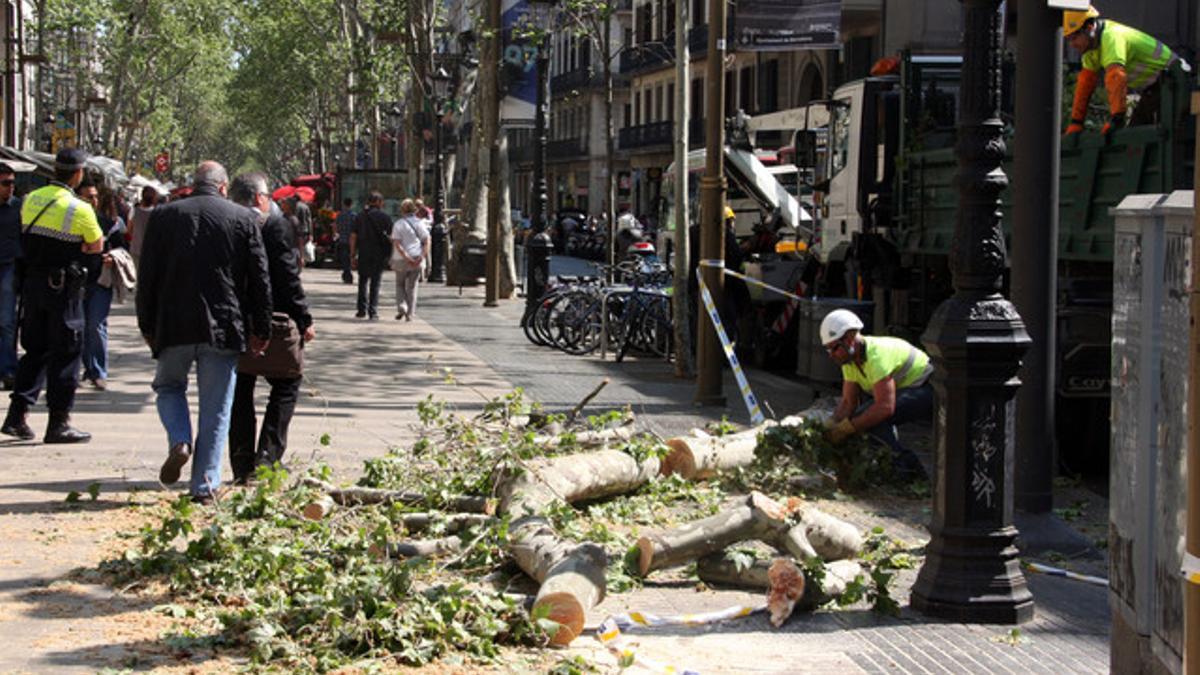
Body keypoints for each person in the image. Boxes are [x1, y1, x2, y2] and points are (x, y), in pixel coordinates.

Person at [137, 161, 272, 503]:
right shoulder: (243, 219)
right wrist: (262, 325)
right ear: (224, 187)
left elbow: (147, 275)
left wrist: (147, 324)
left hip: (173, 323)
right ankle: (205, 485)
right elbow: (259, 277)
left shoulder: (164, 216)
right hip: (223, 326)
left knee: (168, 386)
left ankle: (180, 439)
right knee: (217, 407)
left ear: (193, 184)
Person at [0, 148, 102, 444]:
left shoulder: (31, 200)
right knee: (67, 354)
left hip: (33, 288)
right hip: (63, 291)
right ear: (78, 173)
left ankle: (16, 416)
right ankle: (58, 423)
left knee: (34, 352)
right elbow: (95, 246)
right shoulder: (80, 209)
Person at [227, 173, 314, 484]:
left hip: (236, 321)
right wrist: (304, 318)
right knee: (287, 384)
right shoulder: (276, 225)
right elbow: (288, 276)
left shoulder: (228, 224)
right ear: (260, 198)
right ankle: (267, 459)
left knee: (240, 391)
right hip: (275, 320)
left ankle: (241, 464)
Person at [820, 309, 932, 480]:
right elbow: (849, 403)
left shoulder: (876, 357)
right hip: (905, 388)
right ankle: (892, 468)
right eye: (827, 350)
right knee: (861, 418)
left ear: (850, 339)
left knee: (871, 421)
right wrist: (830, 426)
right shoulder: (849, 361)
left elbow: (884, 408)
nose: (831, 355)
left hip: (927, 387)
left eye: (834, 348)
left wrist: (848, 428)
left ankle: (909, 471)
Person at [1064, 5, 1191, 135]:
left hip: (1176, 81)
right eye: (1068, 39)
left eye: (1074, 38)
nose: (1072, 44)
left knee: (1154, 135)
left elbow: (1116, 77)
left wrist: (1117, 118)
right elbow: (1085, 85)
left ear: (1089, 28)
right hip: (1156, 88)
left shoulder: (1111, 37)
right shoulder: (1090, 51)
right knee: (1137, 135)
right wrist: (1076, 122)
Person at [77, 183, 126, 390]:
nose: (94, 201)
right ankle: (84, 368)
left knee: (95, 326)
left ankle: (98, 371)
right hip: (75, 282)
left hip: (100, 282)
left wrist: (112, 257)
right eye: (89, 197)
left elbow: (122, 248)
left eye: (95, 197)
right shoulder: (71, 223)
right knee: (78, 328)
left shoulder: (108, 224)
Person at [350, 191, 392, 320]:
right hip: (379, 253)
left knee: (362, 281)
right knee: (375, 282)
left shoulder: (360, 216)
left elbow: (353, 236)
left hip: (363, 252)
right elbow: (391, 237)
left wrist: (352, 254)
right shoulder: (385, 217)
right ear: (379, 202)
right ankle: (373, 311)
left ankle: (361, 309)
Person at [391, 198, 430, 321]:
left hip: (400, 259)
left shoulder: (398, 224)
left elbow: (397, 244)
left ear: (402, 210)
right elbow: (427, 241)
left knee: (400, 284)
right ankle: (410, 314)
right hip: (417, 257)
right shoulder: (420, 223)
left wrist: (406, 257)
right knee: (412, 287)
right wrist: (422, 256)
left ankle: (402, 306)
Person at [0, 163, 21, 391]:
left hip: (9, 268)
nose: (11, 187)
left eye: (13, 183)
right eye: (6, 183)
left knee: (7, 321)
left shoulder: (19, 208)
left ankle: (8, 369)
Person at [126, 186, 158, 266]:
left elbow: (129, 229)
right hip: (151, 250)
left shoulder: (133, 211)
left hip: (136, 248)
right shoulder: (157, 213)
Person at [334, 197, 356, 284]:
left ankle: (346, 273)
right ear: (351, 204)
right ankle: (348, 273)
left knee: (344, 257)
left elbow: (335, 225)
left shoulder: (340, 215)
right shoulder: (354, 215)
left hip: (342, 239)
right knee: (350, 256)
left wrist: (336, 233)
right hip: (351, 239)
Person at [292, 196, 313, 268]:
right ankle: (302, 260)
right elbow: (309, 220)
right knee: (302, 246)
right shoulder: (306, 207)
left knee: (296, 246)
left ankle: (298, 260)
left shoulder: (294, 206)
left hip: (296, 229)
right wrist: (311, 233)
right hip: (305, 229)